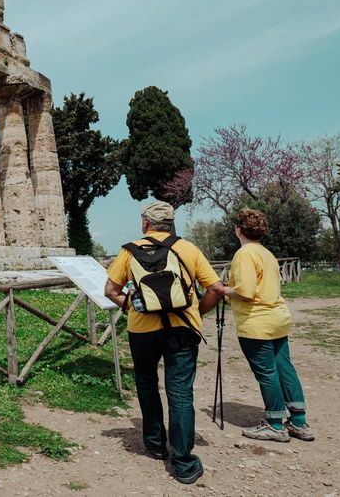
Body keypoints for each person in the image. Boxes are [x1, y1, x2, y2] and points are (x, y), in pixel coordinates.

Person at [104, 201, 224, 485]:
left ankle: (156, 444)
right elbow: (217, 289)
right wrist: (196, 312)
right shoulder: (187, 249)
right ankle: (183, 463)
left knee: (146, 384)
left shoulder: (128, 251)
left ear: (145, 223)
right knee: (180, 391)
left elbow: (110, 290)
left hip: (142, 331)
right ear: (170, 224)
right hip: (182, 329)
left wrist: (131, 307)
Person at [222, 208, 314, 442]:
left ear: (239, 230)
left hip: (257, 322)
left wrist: (223, 289)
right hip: (277, 318)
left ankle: (274, 423)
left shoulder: (244, 254)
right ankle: (298, 421)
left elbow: (245, 291)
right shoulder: (267, 253)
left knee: (267, 373)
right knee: (284, 367)